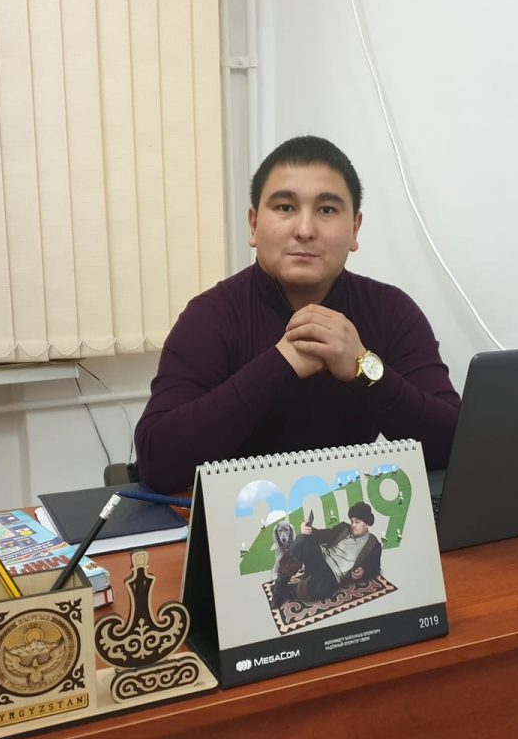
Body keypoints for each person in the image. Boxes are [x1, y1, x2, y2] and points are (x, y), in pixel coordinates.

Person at [134, 135, 461, 493]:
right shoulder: (210, 316)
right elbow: (158, 461)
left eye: (327, 210)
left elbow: (454, 445)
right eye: (286, 207)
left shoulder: (390, 310)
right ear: (254, 225)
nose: (305, 230)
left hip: (351, 514)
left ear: (354, 229)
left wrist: (363, 367)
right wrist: (280, 363)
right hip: (238, 515)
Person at [269, 502, 382, 607]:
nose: (353, 525)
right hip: (321, 559)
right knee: (302, 538)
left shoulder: (373, 544)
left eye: (357, 522)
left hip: (334, 574)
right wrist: (307, 530)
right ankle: (281, 582)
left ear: (367, 523)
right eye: (352, 521)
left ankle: (289, 591)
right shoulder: (344, 528)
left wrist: (364, 570)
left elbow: (375, 567)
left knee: (319, 590)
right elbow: (324, 535)